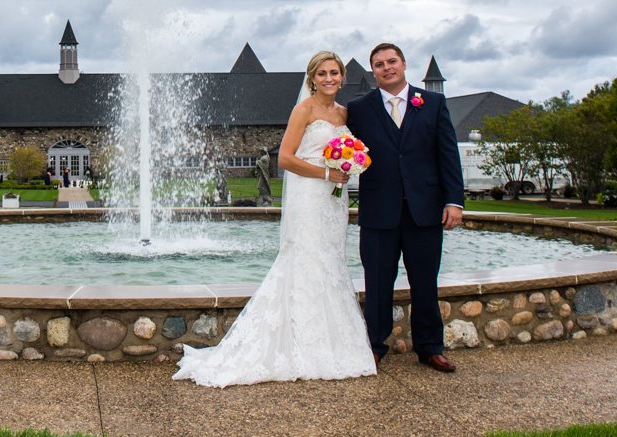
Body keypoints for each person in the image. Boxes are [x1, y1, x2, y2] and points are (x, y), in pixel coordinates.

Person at [173, 50, 377, 387]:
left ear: (342, 77)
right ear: (312, 78)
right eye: (322, 73)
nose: (329, 79)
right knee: (305, 260)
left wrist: (347, 166)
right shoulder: (304, 109)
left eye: (334, 73)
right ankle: (300, 343)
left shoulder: (344, 112)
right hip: (310, 196)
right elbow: (284, 158)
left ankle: (334, 343)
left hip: (333, 202)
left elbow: (344, 152)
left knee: (330, 261)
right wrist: (327, 174)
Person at [346, 42, 465, 373]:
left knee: (425, 281)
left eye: (391, 61)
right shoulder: (359, 109)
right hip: (378, 212)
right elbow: (342, 146)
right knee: (378, 283)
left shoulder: (433, 103)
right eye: (379, 64)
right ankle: (374, 346)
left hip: (425, 210)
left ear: (403, 64)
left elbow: (448, 155)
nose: (387, 67)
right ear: (373, 71)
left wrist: (454, 200)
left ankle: (430, 347)